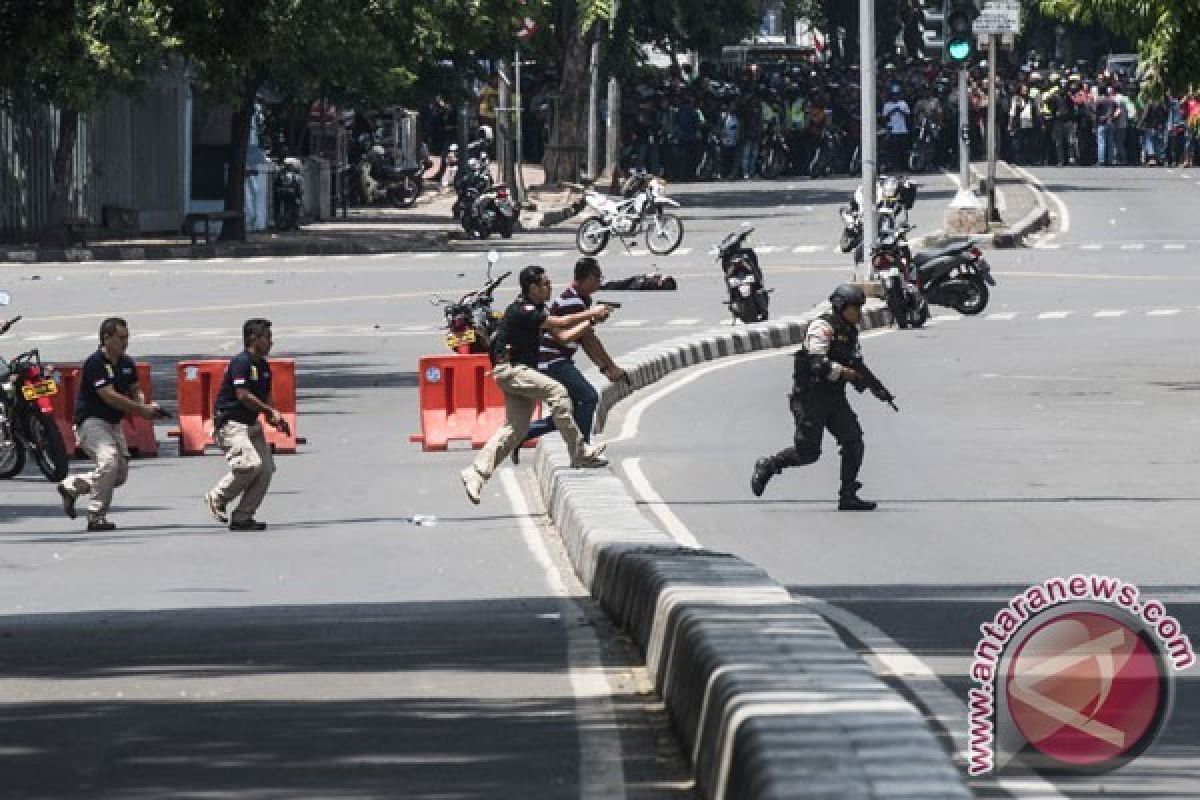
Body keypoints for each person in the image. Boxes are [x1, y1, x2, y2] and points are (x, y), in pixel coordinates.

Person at [461, 266, 612, 504]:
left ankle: (476, 473)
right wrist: (591, 314)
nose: (550, 288)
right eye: (545, 284)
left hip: (523, 373)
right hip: (510, 370)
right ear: (532, 288)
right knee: (558, 392)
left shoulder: (538, 308)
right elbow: (561, 322)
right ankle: (580, 451)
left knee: (516, 430)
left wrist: (591, 318)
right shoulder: (523, 310)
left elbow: (561, 332)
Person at [749, 285, 892, 511]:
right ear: (841, 307)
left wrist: (876, 388)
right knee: (808, 454)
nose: (859, 314)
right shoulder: (822, 327)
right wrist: (844, 373)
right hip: (810, 398)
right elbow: (818, 365)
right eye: (855, 308)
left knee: (854, 441)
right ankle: (769, 465)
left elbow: (857, 364)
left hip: (835, 398)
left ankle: (848, 495)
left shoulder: (851, 332)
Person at [57, 318, 163, 532]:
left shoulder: (126, 363)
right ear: (107, 338)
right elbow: (109, 396)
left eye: (127, 338)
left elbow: (135, 389)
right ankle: (96, 517)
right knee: (109, 462)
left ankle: (72, 486)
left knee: (119, 474)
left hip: (113, 424)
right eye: (121, 338)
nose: (125, 342)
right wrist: (141, 410)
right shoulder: (95, 363)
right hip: (91, 422)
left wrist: (144, 403)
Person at [516, 258, 627, 462]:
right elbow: (579, 337)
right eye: (597, 277)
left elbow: (586, 340)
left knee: (571, 411)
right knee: (589, 398)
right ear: (585, 278)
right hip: (553, 360)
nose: (599, 282)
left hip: (558, 359)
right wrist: (610, 367)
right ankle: (581, 451)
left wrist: (606, 367)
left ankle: (523, 434)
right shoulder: (573, 302)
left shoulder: (580, 300)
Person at [204, 319, 290, 531]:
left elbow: (265, 395)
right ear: (253, 338)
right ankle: (217, 497)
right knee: (250, 465)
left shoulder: (263, 366)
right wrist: (268, 411)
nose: (271, 342)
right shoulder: (241, 363)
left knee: (266, 469)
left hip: (250, 424)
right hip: (231, 424)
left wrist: (274, 417)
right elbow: (243, 395)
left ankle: (243, 515)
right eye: (267, 337)